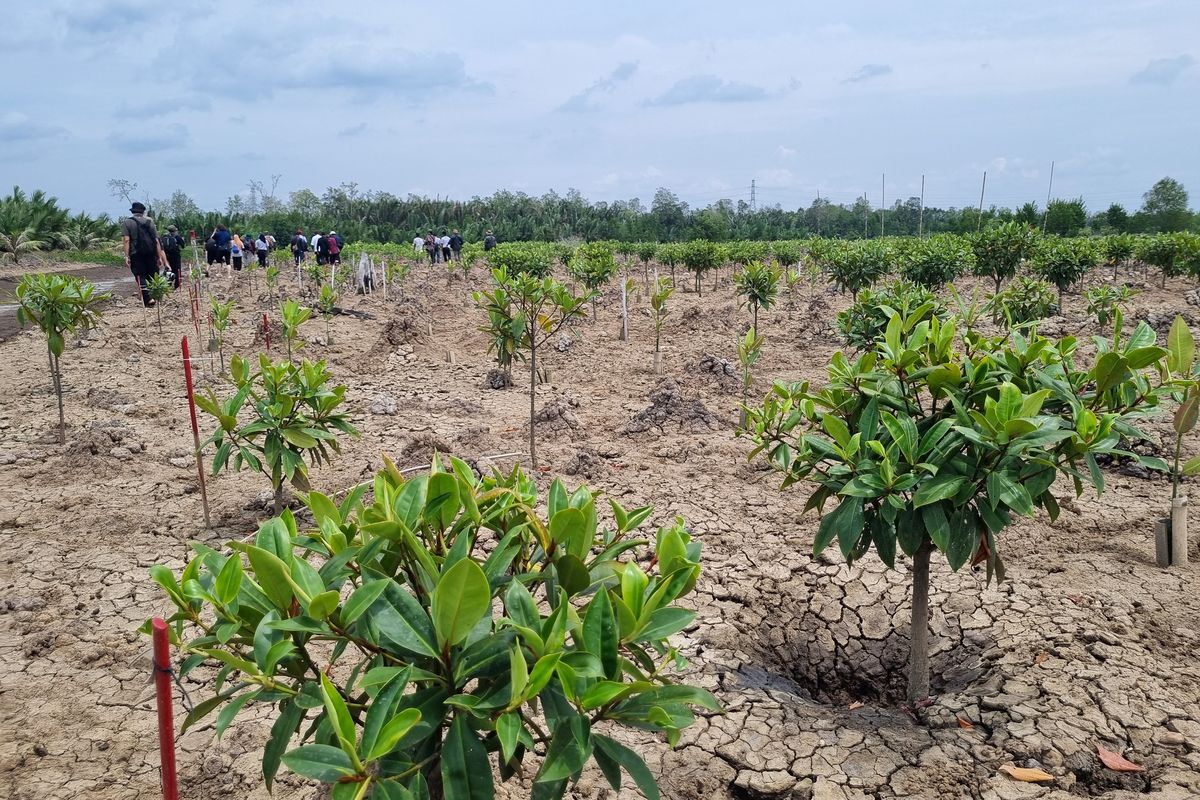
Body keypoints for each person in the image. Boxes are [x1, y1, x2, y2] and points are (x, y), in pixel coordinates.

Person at [121, 202, 167, 307]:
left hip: (136, 253)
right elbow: (156, 241)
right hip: (151, 253)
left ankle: (148, 299)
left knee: (140, 275)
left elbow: (126, 240)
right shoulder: (150, 221)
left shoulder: (127, 222)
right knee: (152, 275)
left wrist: (127, 256)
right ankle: (155, 296)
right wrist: (159, 256)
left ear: (133, 211)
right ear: (143, 212)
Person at [160, 224, 185, 289]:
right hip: (176, 256)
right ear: (175, 230)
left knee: (169, 269)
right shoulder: (177, 237)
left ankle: (168, 284)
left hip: (167, 256)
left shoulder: (164, 237)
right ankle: (177, 285)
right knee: (177, 270)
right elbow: (183, 246)